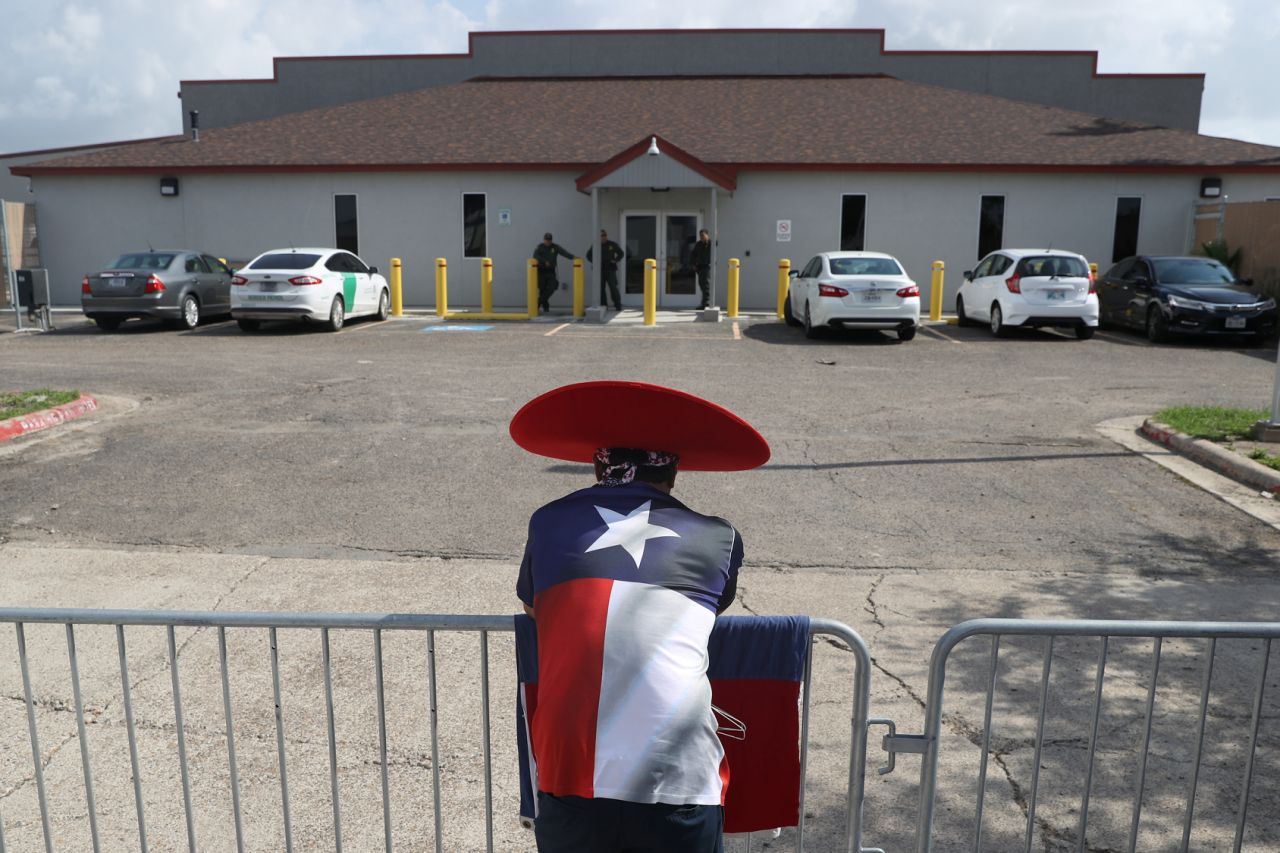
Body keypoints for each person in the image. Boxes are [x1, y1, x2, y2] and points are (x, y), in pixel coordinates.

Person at [509, 380, 771, 853]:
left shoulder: (548, 522)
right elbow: (710, 609)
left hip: (570, 765)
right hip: (677, 772)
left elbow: (535, 606)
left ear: (598, 465)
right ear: (673, 471)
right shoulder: (719, 537)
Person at [533, 233, 575, 313]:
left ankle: (538, 302)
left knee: (552, 287)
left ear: (551, 240)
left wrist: (573, 257)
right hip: (541, 271)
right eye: (546, 240)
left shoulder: (555, 247)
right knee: (542, 289)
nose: (548, 241)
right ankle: (545, 307)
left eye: (549, 240)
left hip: (551, 271)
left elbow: (564, 253)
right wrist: (544, 261)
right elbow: (535, 256)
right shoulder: (540, 247)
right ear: (544, 239)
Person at [586, 230, 625, 311]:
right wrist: (595, 262)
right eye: (602, 236)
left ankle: (618, 305)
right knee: (601, 288)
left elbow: (621, 253)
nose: (603, 237)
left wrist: (616, 260)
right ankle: (604, 306)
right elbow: (588, 255)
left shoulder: (612, 244)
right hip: (599, 270)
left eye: (605, 235)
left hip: (610, 269)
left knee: (613, 287)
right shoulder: (595, 245)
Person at [690, 229, 712, 309]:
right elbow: (693, 254)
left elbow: (716, 242)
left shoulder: (710, 243)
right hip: (700, 267)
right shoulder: (698, 244)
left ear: (707, 235)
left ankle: (706, 304)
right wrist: (693, 264)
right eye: (700, 236)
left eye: (703, 235)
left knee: (706, 285)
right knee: (701, 284)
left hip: (707, 266)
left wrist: (716, 234)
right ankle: (704, 303)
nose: (701, 237)